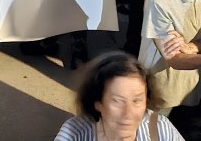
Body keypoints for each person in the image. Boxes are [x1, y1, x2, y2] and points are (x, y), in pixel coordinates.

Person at [54, 51, 184, 140]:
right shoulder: (74, 133)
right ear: (97, 102)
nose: (128, 113)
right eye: (117, 101)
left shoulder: (161, 129)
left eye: (137, 100)